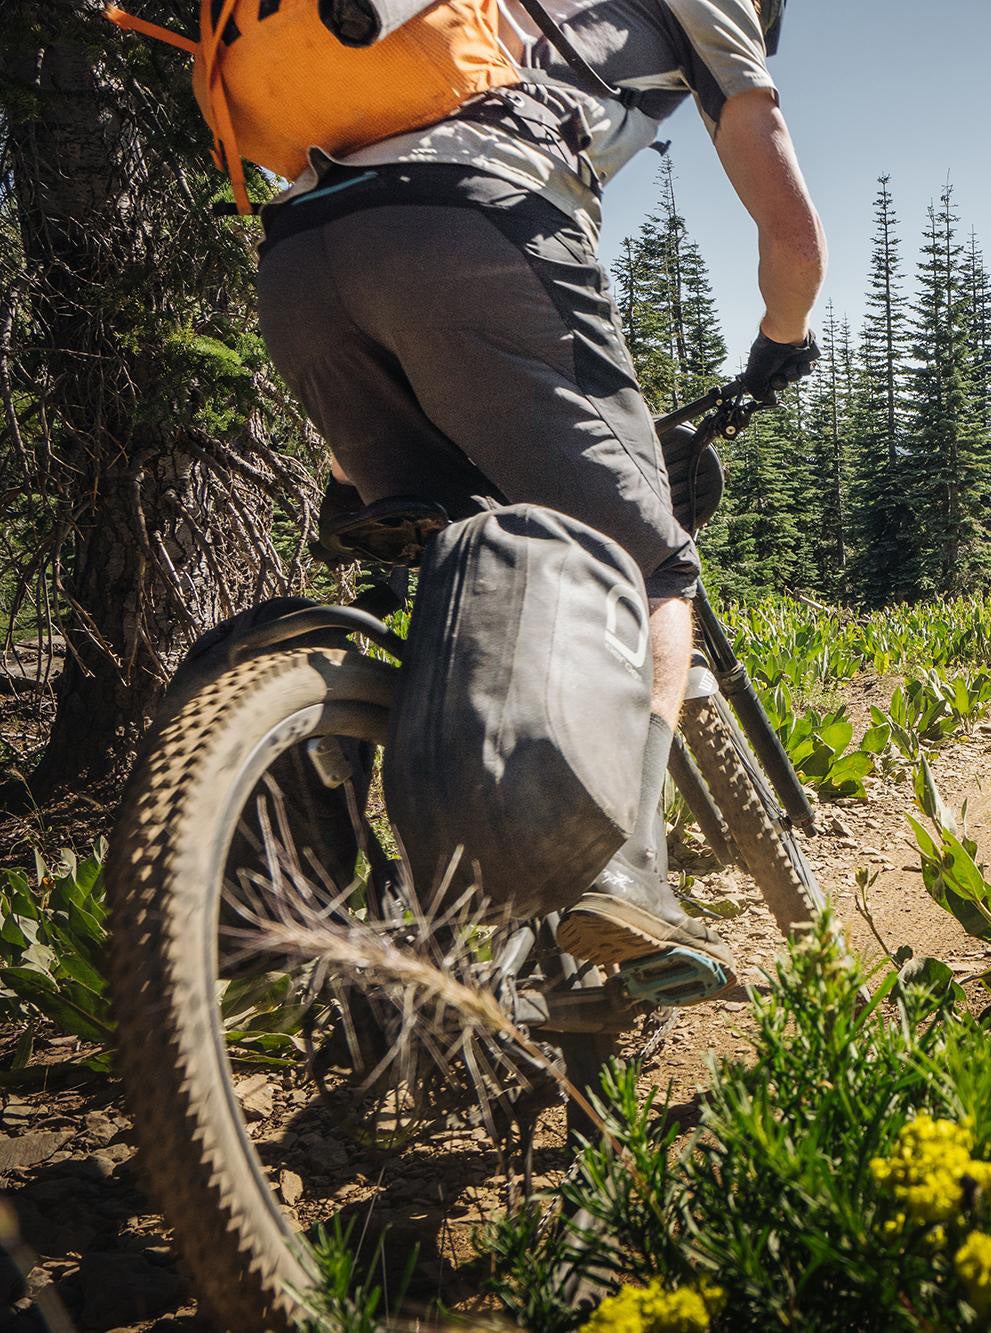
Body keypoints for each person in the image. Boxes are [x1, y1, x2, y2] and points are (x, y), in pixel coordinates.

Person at [254, 0, 825, 989]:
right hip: (473, 227)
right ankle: (624, 865)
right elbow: (785, 217)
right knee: (652, 570)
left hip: (303, 256)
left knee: (433, 535)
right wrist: (783, 339)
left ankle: (317, 860)